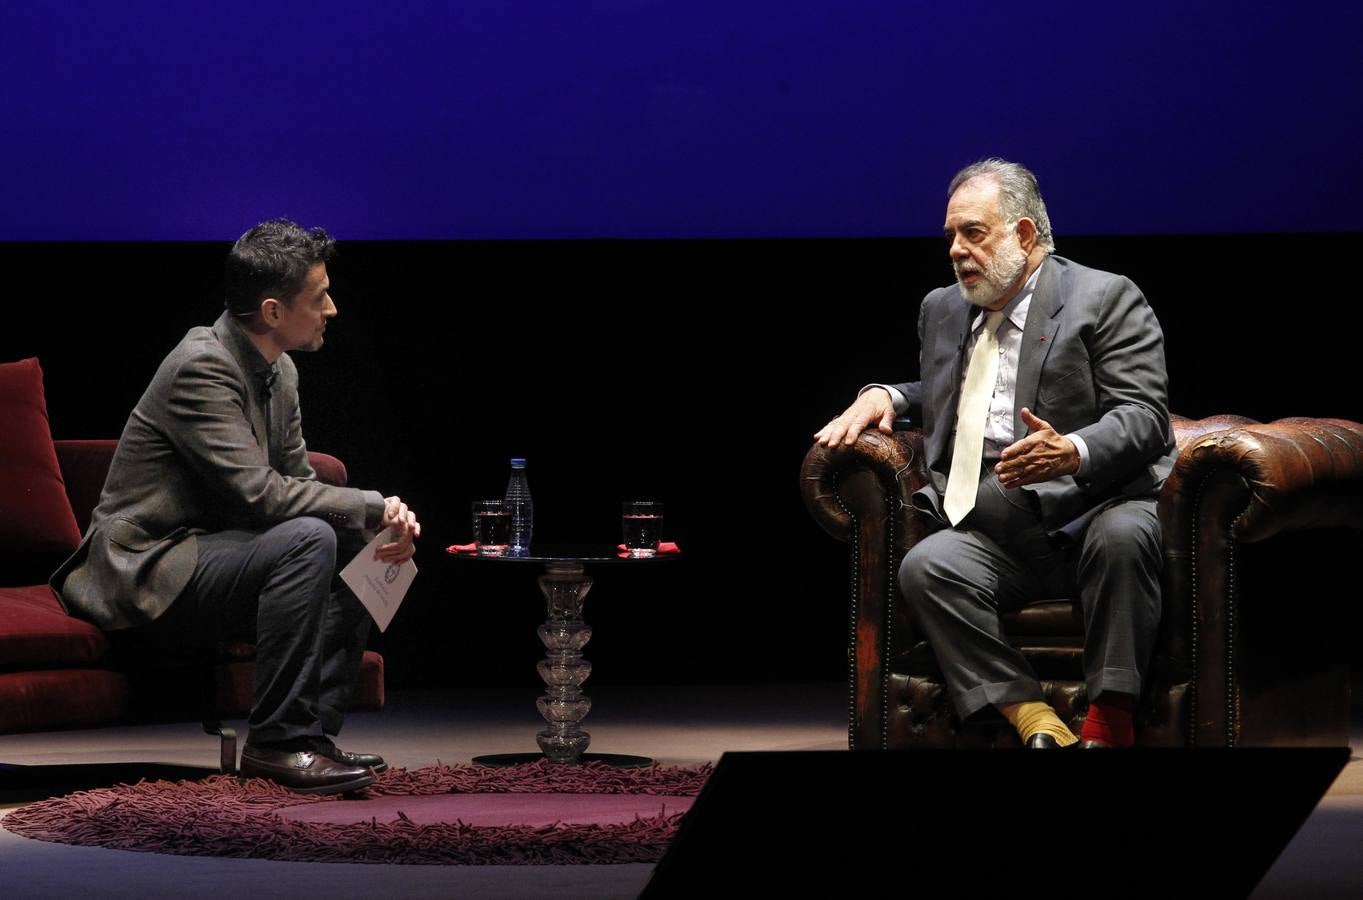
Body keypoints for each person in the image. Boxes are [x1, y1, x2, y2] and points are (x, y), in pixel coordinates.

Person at [815, 159, 1175, 749]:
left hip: (1092, 507)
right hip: (997, 524)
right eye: (950, 236)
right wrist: (884, 393)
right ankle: (1033, 719)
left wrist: (1073, 449)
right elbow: (952, 390)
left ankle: (1110, 725)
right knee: (928, 567)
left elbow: (1144, 416)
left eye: (973, 233)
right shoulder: (944, 307)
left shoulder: (1104, 297)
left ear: (1024, 235)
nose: (956, 250)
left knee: (1125, 539)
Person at [53, 219, 421, 792]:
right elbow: (261, 493)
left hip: (216, 551)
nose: (333, 307)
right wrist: (373, 503)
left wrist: (374, 523)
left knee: (350, 538)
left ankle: (312, 735)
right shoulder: (203, 365)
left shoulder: (281, 369)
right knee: (314, 536)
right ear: (273, 312)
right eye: (319, 296)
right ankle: (276, 743)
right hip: (148, 565)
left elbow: (298, 483)